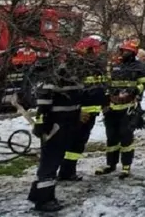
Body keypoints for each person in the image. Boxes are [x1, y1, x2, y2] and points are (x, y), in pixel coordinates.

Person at [27, 53, 83, 212]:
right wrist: (41, 124)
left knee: (53, 161)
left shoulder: (74, 77)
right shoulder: (57, 77)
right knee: (50, 163)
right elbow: (43, 104)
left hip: (66, 125)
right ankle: (44, 201)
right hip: (54, 127)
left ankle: (39, 194)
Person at [96, 40, 145, 179]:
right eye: (122, 50)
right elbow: (107, 82)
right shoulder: (115, 65)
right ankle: (111, 164)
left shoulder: (139, 67)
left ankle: (126, 166)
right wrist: (105, 100)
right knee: (111, 137)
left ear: (132, 53)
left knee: (126, 137)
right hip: (112, 107)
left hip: (128, 107)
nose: (122, 53)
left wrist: (135, 90)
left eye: (125, 51)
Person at [58, 37, 107, 182]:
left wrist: (104, 102)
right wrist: (78, 110)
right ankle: (65, 171)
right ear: (89, 49)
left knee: (78, 142)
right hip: (79, 112)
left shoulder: (94, 66)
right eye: (98, 48)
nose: (100, 52)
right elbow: (72, 92)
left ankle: (68, 170)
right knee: (73, 142)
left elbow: (99, 88)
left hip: (89, 111)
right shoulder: (77, 67)